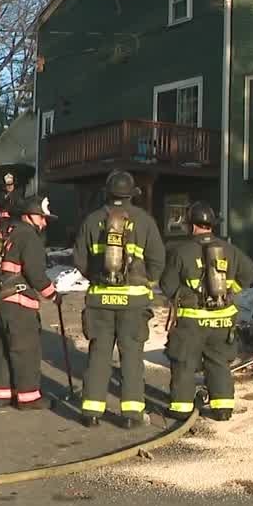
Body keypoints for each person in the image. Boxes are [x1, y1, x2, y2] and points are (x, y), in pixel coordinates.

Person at [72, 171, 165, 428]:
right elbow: (158, 260)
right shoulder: (144, 221)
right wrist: (146, 282)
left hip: (100, 301)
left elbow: (79, 258)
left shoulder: (92, 221)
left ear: (108, 193)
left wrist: (95, 276)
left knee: (99, 355)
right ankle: (131, 415)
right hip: (134, 304)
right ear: (131, 194)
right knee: (131, 357)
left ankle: (91, 412)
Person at [160, 202, 253, 422]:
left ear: (192, 226)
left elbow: (167, 285)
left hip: (192, 322)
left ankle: (180, 408)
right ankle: (223, 409)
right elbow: (251, 272)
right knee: (219, 363)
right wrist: (232, 290)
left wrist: (182, 295)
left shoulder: (181, 251)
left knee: (183, 362)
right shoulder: (230, 250)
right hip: (223, 320)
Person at [0, 193, 60, 410]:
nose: (45, 223)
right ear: (30, 216)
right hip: (18, 302)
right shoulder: (29, 236)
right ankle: (29, 398)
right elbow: (36, 274)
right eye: (42, 217)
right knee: (25, 349)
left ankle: (1, 394)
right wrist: (53, 294)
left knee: (2, 347)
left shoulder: (6, 231)